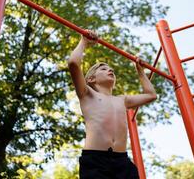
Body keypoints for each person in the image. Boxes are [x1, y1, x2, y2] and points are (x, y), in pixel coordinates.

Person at [67, 30, 157, 179]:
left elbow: (151, 95)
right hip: (96, 160)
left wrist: (140, 72)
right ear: (90, 79)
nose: (110, 70)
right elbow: (73, 63)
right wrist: (84, 41)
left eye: (111, 70)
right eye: (103, 69)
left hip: (122, 162)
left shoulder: (122, 100)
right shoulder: (87, 94)